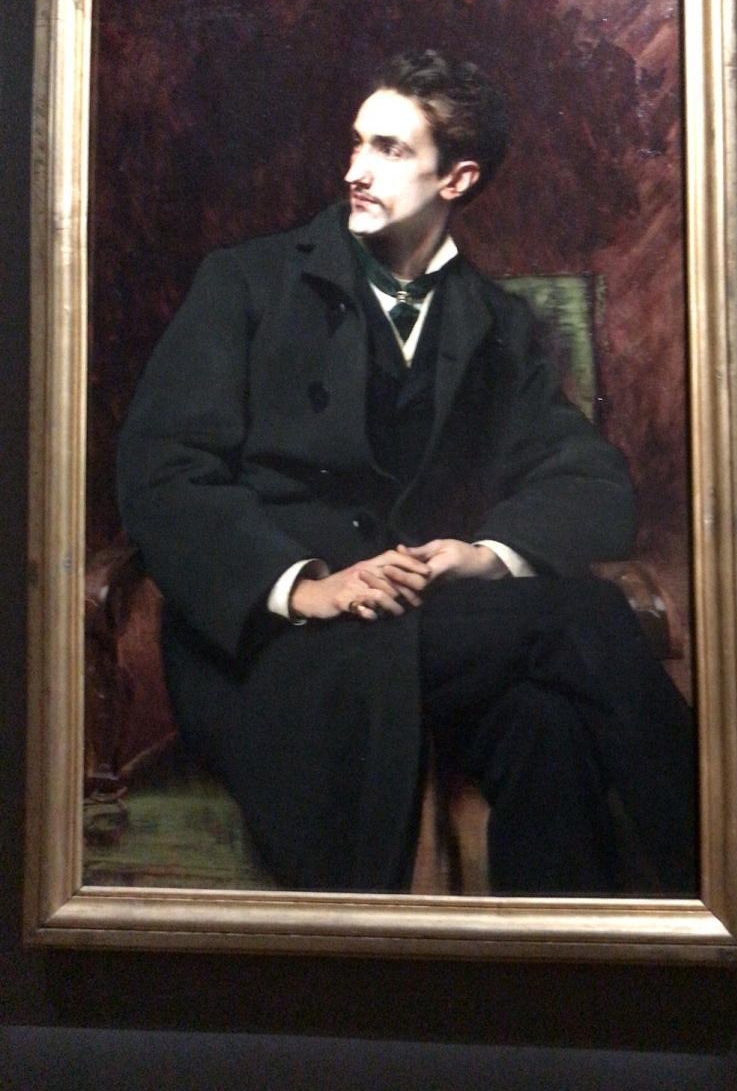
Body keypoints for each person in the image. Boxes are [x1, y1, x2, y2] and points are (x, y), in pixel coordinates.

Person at [117, 50, 696, 896]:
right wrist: (304, 585)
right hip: (278, 650)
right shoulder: (248, 283)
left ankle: (570, 964)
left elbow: (590, 481)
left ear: (456, 179)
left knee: (548, 727)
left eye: (389, 150)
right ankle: (718, 871)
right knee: (584, 615)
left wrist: (486, 556)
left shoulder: (494, 323)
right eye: (357, 143)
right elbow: (163, 472)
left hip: (417, 627)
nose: (355, 170)